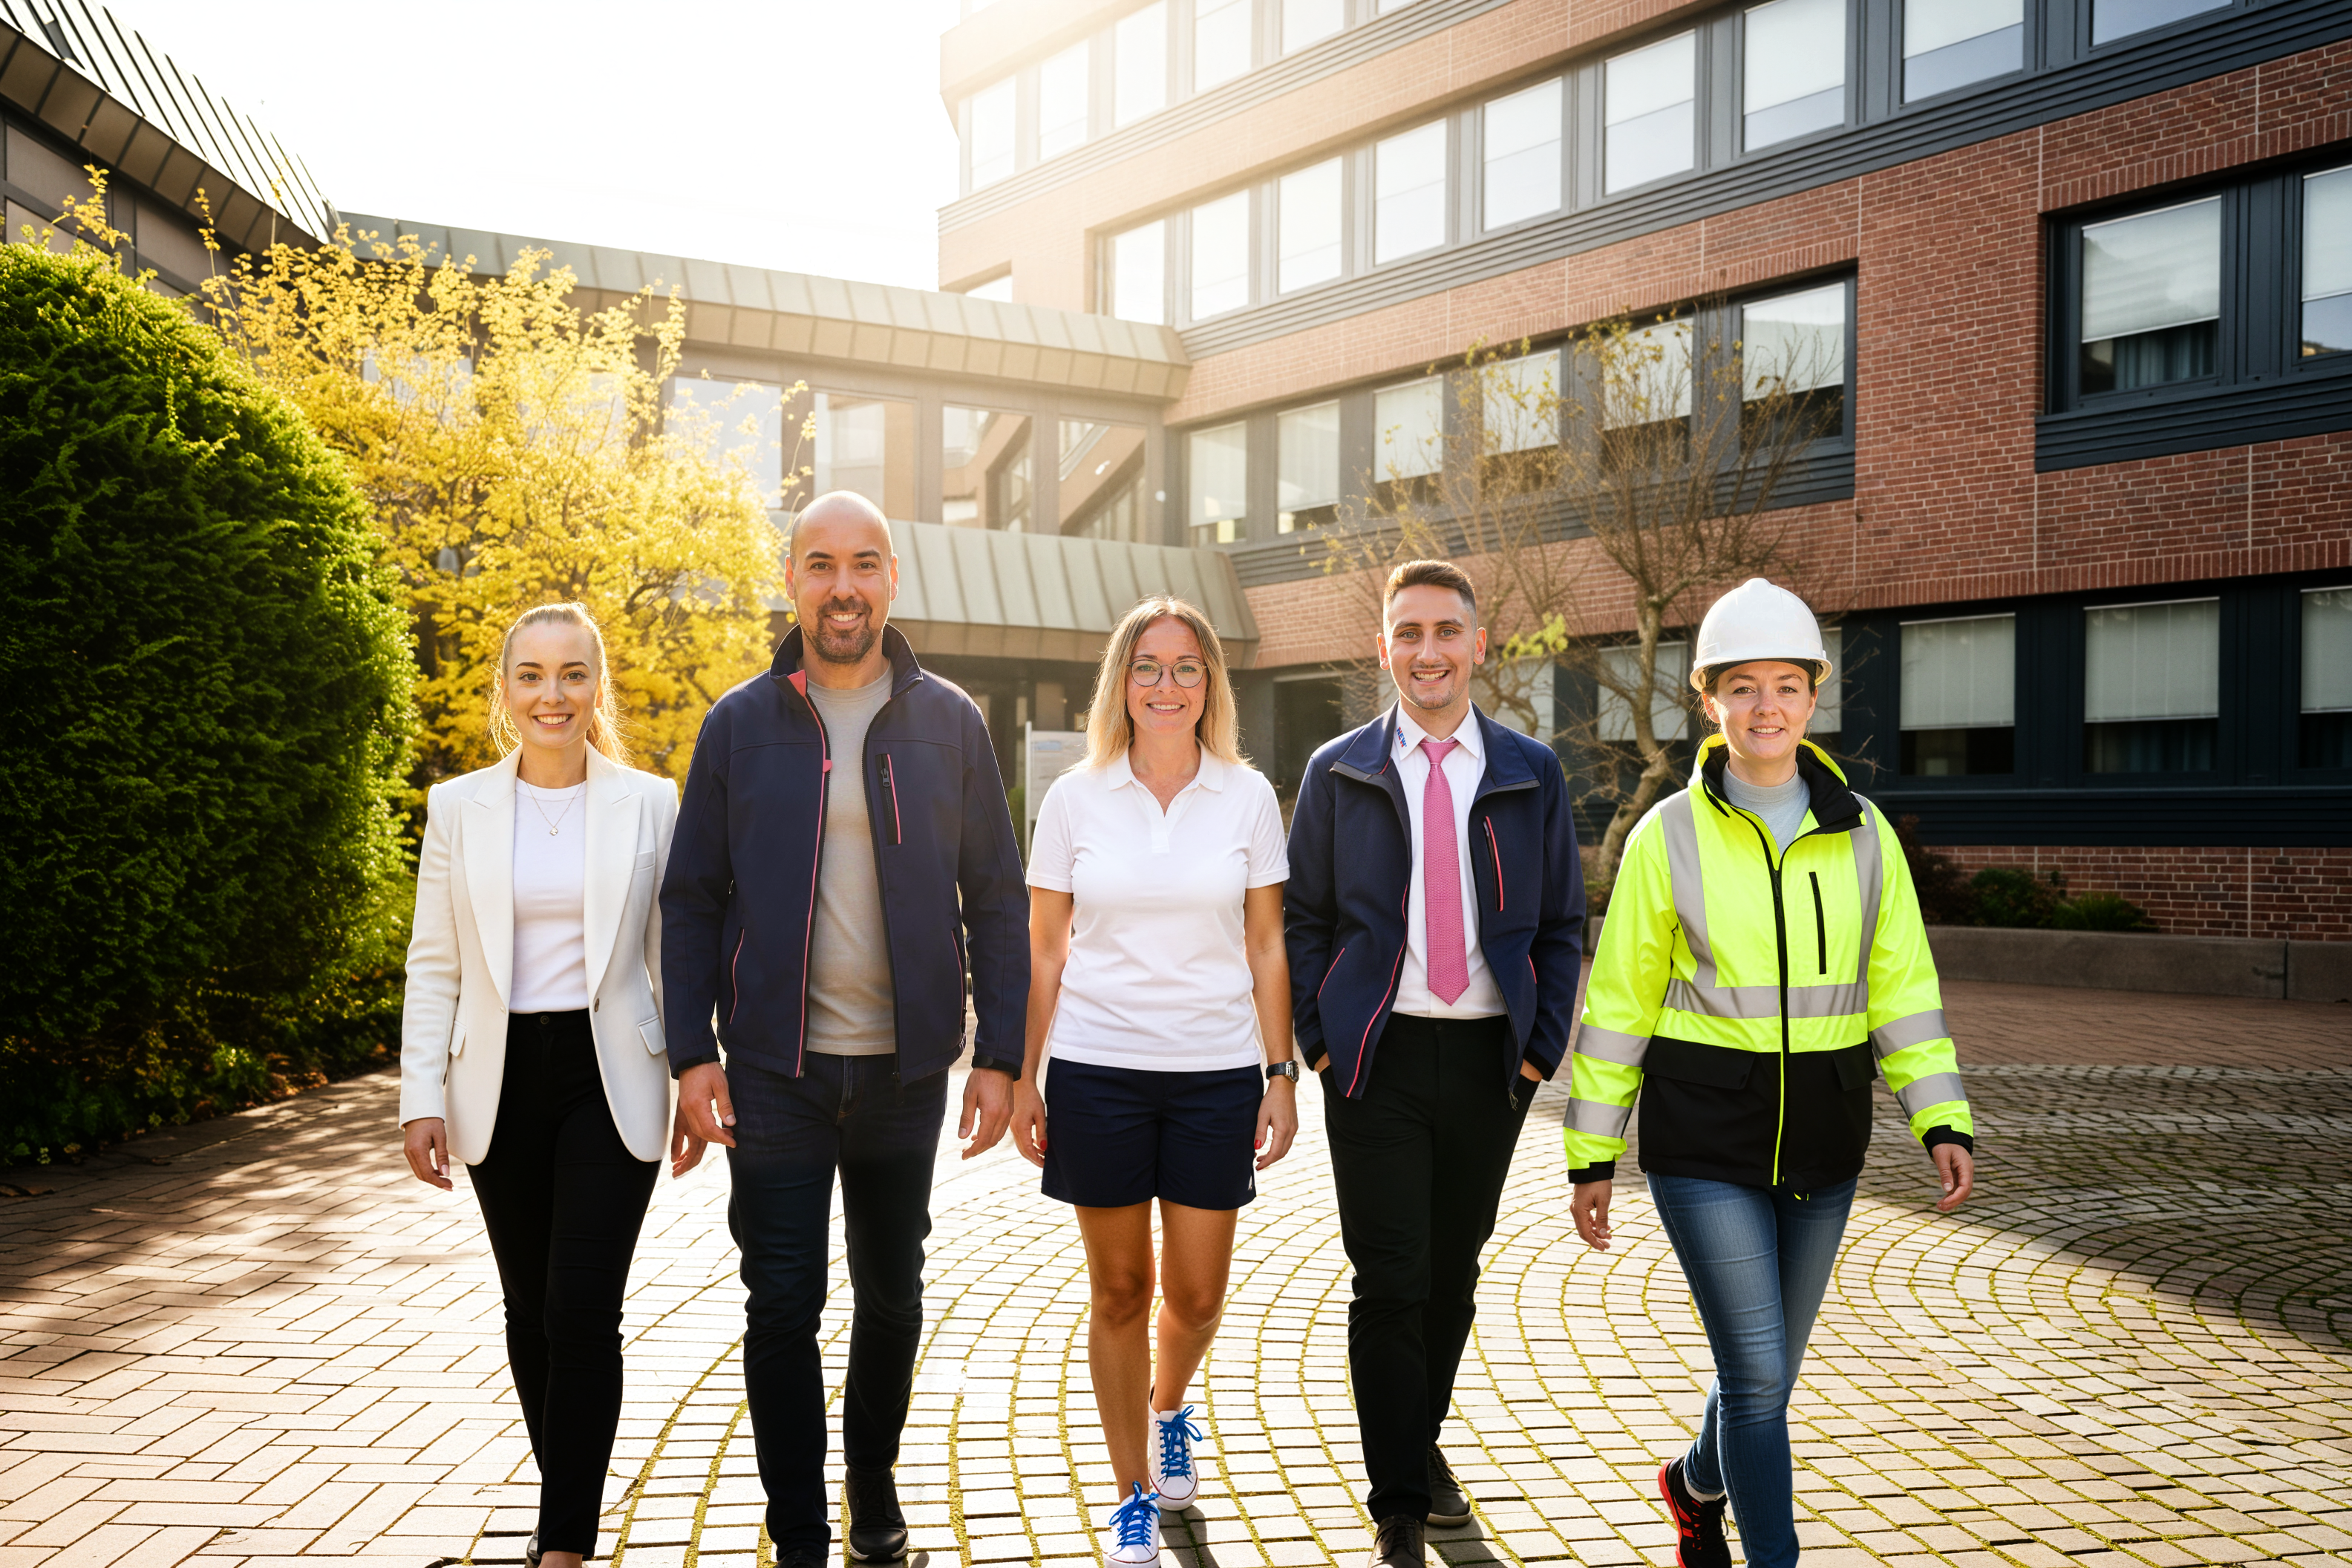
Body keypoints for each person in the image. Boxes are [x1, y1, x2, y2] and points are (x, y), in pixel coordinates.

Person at [1563, 578, 1977, 1568]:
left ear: (1812, 697)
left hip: (1826, 1139)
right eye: (1742, 687)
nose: (1766, 708)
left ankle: (1691, 1485)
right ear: (1709, 700)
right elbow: (1618, 1004)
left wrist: (1942, 1118)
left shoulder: (1865, 833)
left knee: (1769, 1377)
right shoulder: (1669, 837)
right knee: (1753, 1378)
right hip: (1704, 1142)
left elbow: (1902, 990)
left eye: (1786, 686)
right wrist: (1591, 1153)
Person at [660, 491, 1029, 1568]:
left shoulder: (950, 720)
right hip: (775, 1072)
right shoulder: (739, 724)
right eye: (821, 565)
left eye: (864, 564)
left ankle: (871, 1471)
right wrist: (693, 1052)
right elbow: (691, 898)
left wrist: (998, 1057)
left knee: (893, 1289)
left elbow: (996, 897)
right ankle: (799, 1528)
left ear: (893, 580)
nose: (843, 587)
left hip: (907, 1074)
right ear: (792, 581)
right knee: (781, 1300)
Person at [1286, 560, 1587, 1568]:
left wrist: (1540, 1053)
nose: (1428, 651)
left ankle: (1413, 1445)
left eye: (1445, 632)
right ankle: (1400, 1505)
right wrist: (1322, 1042)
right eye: (1407, 632)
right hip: (1375, 1056)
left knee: (1452, 1276)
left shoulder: (1529, 772)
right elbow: (1306, 920)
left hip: (1493, 1064)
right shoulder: (1337, 769)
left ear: (1478, 645)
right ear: (1385, 648)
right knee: (1390, 1279)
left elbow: (1558, 923)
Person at [398, 601, 691, 1568]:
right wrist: (420, 1096)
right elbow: (434, 963)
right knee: (529, 1310)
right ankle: (567, 1499)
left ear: (596, 686)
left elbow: (674, 953)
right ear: (507, 690)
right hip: (500, 1076)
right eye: (531, 674)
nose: (552, 694)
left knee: (580, 1306)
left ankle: (562, 1547)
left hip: (613, 1077)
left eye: (572, 674)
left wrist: (695, 1070)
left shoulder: (650, 802)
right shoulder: (459, 807)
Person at [1009, 596, 1299, 1567]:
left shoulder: (1248, 797)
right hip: (1098, 1070)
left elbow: (1266, 944)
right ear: (1120, 683)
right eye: (1147, 666)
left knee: (1201, 1296)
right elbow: (1045, 953)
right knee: (1122, 1289)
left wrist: (1280, 1069)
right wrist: (1025, 1076)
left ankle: (1170, 1406)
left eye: (1185, 667)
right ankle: (1132, 1490)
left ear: (1208, 682)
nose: (1165, 685)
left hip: (1217, 1073)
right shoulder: (1075, 798)